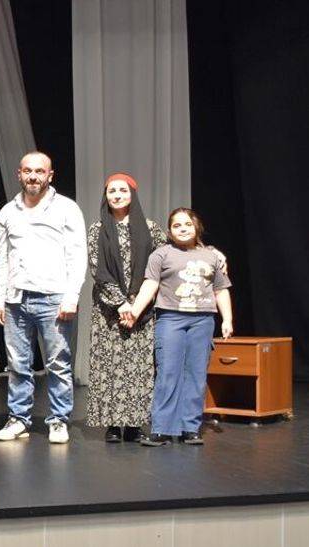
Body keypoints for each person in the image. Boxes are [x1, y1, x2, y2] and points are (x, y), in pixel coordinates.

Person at [0, 151, 87, 444]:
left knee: (58, 363)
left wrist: (71, 296)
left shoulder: (67, 208)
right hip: (15, 299)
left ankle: (58, 420)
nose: (33, 176)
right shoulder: (8, 211)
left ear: (50, 175)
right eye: (28, 171)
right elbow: (2, 258)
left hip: (53, 298)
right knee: (17, 363)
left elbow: (77, 254)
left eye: (39, 171)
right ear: (19, 174)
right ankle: (18, 418)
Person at [127, 208, 233, 446]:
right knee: (168, 372)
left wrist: (227, 319)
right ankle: (162, 428)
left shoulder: (211, 256)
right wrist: (134, 312)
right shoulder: (161, 254)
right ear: (169, 231)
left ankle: (190, 427)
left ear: (197, 228)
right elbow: (150, 285)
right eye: (177, 225)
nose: (183, 229)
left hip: (202, 320)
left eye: (187, 224)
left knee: (196, 374)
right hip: (170, 319)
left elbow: (220, 290)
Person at [85, 173, 167, 443]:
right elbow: (98, 269)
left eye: (122, 190)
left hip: (141, 308)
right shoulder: (97, 229)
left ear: (133, 194)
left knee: (138, 367)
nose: (117, 195)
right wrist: (120, 302)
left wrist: (136, 306)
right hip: (109, 310)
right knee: (109, 365)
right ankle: (111, 425)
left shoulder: (151, 229)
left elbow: (165, 262)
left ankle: (133, 424)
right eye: (112, 191)